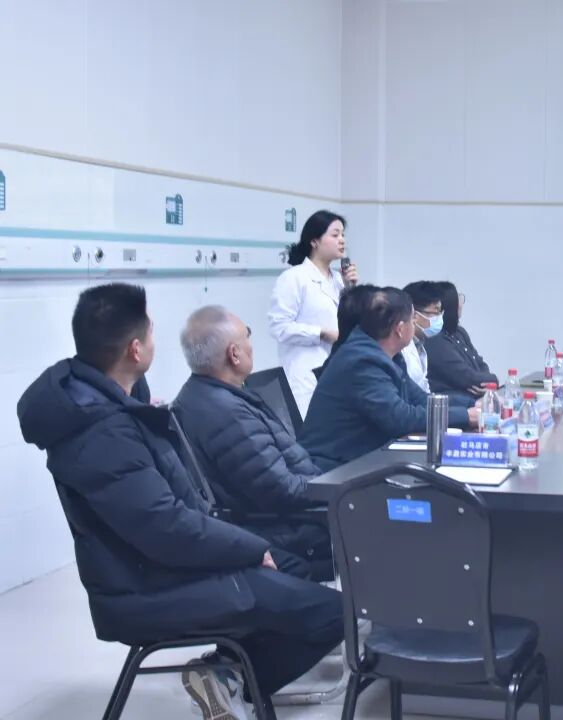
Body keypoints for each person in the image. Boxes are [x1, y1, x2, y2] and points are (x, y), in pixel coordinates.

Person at [17, 283, 342, 720]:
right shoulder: (102, 432)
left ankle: (225, 669)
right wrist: (249, 549)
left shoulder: (112, 405)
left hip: (163, 563)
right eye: (150, 332)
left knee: (294, 570)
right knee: (333, 614)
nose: (155, 340)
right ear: (135, 350)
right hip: (146, 588)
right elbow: (166, 527)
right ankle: (235, 680)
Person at [173, 305, 332, 580]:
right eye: (247, 335)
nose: (251, 344)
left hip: (286, 513)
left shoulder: (205, 394)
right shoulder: (226, 413)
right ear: (234, 354)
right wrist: (336, 488)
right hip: (288, 526)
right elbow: (279, 488)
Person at [301, 286, 479, 471]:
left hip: (364, 460)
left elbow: (420, 399)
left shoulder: (389, 355)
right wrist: (466, 416)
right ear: (400, 329)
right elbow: (400, 418)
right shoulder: (362, 361)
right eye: (412, 319)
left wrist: (473, 405)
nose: (414, 324)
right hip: (333, 469)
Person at [267, 210, 358, 418]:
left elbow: (352, 323)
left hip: (336, 371)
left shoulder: (339, 280)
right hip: (305, 375)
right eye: (335, 235)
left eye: (343, 235)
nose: (342, 240)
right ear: (314, 241)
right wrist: (321, 333)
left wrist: (351, 289)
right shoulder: (294, 278)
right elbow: (278, 327)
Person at [425, 281, 497, 400]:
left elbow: (480, 363)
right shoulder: (435, 339)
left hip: (475, 398)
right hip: (454, 401)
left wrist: (489, 383)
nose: (461, 303)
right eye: (457, 299)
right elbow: (467, 377)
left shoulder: (459, 332)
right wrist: (493, 380)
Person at [401, 281, 444, 392]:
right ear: (415, 315)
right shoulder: (402, 350)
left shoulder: (419, 345)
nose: (439, 317)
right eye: (436, 311)